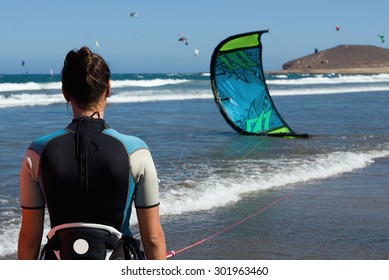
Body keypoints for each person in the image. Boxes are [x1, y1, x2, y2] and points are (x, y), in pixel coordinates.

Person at [18, 46, 166, 260]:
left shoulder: (36, 153)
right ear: (108, 89)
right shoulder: (137, 151)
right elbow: (152, 238)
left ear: (65, 93)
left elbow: (30, 239)